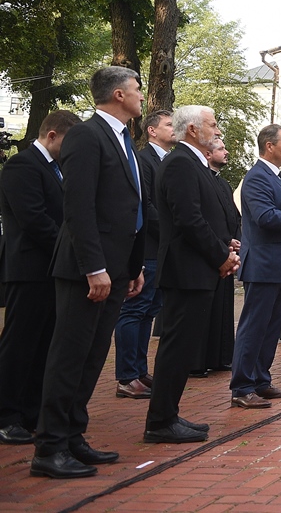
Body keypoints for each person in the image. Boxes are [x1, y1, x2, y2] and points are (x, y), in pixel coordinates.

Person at [32, 66, 146, 479]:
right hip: (87, 270)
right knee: (69, 357)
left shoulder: (123, 138)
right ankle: (49, 448)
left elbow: (129, 207)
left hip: (116, 269)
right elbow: (78, 207)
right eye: (137, 88)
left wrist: (132, 267)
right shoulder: (86, 134)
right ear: (118, 94)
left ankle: (72, 435)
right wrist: (94, 268)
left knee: (93, 356)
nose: (141, 95)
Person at [144, 106, 239, 444]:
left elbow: (206, 216)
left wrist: (224, 243)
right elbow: (188, 219)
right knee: (177, 347)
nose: (217, 130)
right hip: (186, 270)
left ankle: (168, 414)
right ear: (194, 130)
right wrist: (220, 256)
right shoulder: (181, 163)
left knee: (184, 347)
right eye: (212, 124)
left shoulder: (193, 163)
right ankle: (160, 421)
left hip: (197, 268)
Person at [0, 110, 78, 446]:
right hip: (29, 269)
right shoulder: (22, 166)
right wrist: (70, 249)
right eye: (68, 143)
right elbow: (33, 218)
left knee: (44, 342)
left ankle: (31, 411)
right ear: (52, 135)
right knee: (20, 343)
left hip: (52, 269)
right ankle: (6, 414)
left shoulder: (56, 169)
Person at [229, 125, 281, 410]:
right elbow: (264, 217)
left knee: (270, 328)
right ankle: (242, 386)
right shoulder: (256, 177)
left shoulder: (277, 176)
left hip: (280, 264)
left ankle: (260, 380)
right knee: (254, 327)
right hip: (264, 265)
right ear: (269, 146)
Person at [115, 109, 174, 399]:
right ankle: (127, 376)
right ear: (152, 130)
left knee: (149, 311)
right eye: (168, 124)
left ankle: (139, 370)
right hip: (148, 247)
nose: (174, 128)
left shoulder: (169, 160)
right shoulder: (143, 159)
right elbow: (145, 205)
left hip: (162, 249)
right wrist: (173, 232)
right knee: (134, 310)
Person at [196, 137, 241, 375]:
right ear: (207, 153)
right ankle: (199, 361)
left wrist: (233, 239)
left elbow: (232, 216)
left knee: (223, 308)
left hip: (226, 251)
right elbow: (202, 218)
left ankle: (221, 356)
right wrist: (223, 241)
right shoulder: (200, 179)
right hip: (210, 252)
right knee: (205, 311)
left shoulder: (223, 184)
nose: (226, 152)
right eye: (221, 148)